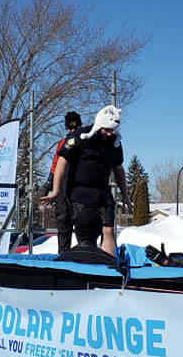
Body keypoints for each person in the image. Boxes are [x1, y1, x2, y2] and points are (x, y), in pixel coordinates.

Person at [43, 105, 131, 257]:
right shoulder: (78, 137)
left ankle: (108, 264)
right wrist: (56, 190)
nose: (109, 133)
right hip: (80, 192)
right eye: (106, 130)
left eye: (112, 130)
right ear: (99, 125)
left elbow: (118, 169)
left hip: (102, 191)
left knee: (108, 229)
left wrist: (125, 195)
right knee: (85, 232)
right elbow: (61, 163)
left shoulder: (115, 142)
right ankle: (79, 263)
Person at [43, 111, 82, 253]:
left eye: (75, 128)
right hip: (63, 192)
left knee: (82, 228)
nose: (72, 131)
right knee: (63, 227)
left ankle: (83, 256)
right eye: (70, 128)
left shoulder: (84, 142)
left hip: (79, 191)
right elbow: (55, 165)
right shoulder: (62, 144)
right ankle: (63, 256)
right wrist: (49, 185)